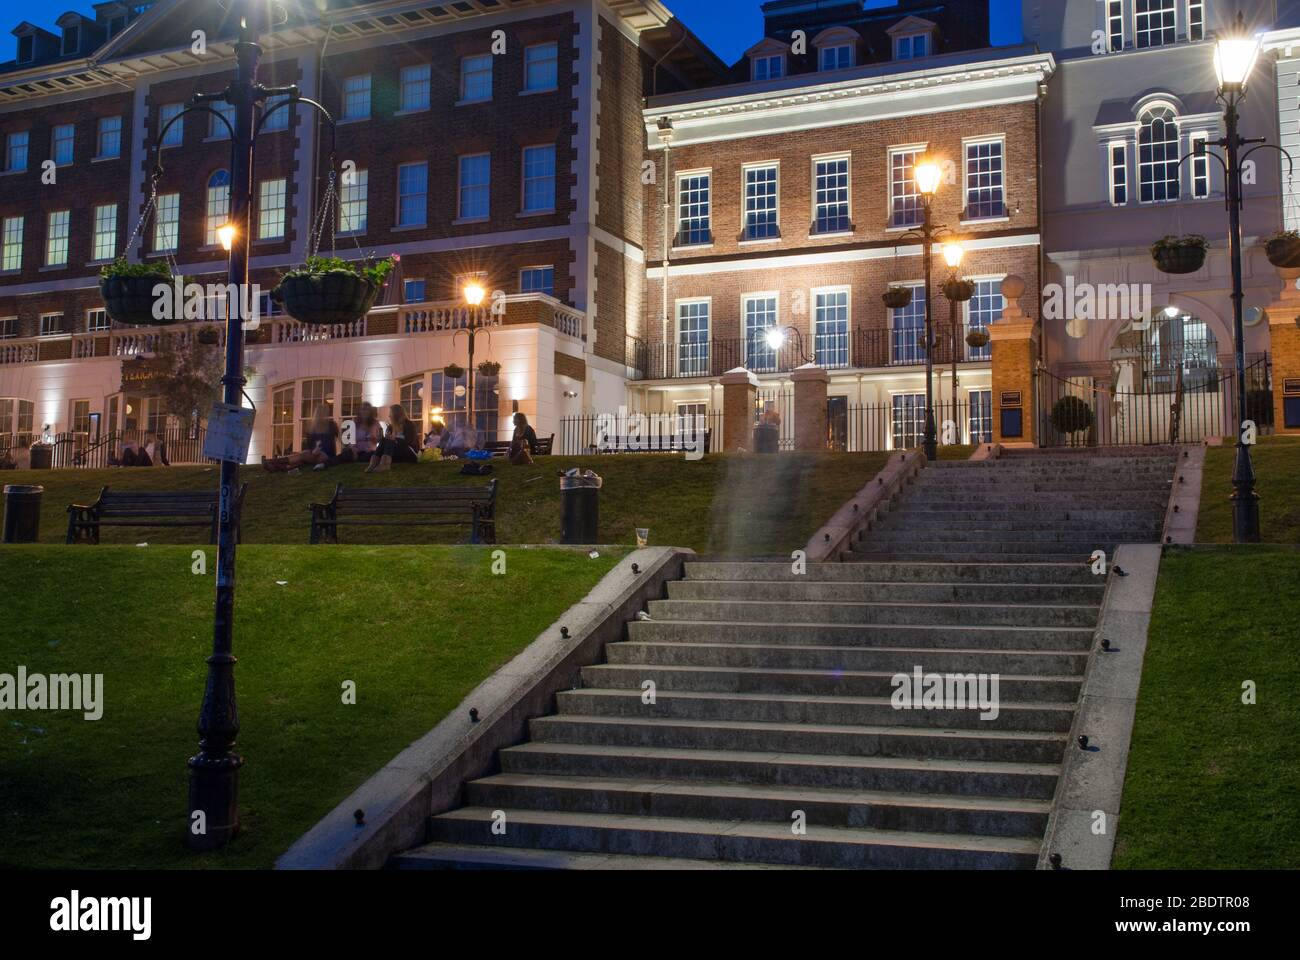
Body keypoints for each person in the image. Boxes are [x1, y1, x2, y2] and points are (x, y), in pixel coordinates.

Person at [262, 404, 339, 472]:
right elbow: (310, 446)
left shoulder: (331, 425)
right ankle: (277, 466)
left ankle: (272, 462)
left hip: (328, 455)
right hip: (314, 454)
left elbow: (336, 440)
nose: (326, 415)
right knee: (302, 457)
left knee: (304, 455)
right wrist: (314, 450)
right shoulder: (312, 428)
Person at [367, 403, 419, 472]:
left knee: (389, 441)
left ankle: (385, 465)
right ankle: (373, 463)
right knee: (385, 440)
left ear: (396, 414)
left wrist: (395, 439)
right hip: (396, 453)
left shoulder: (409, 425)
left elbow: (410, 441)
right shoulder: (390, 427)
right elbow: (387, 443)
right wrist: (381, 439)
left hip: (409, 453)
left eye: (390, 413)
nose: (389, 416)